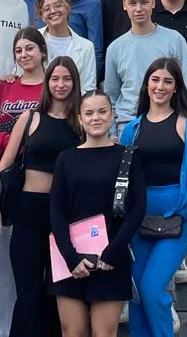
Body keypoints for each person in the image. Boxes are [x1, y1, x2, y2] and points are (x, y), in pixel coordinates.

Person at [0, 57, 84, 337]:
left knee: (58, 293)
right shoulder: (30, 117)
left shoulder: (81, 121)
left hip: (65, 215)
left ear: (75, 82)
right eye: (55, 78)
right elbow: (5, 165)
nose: (60, 84)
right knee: (28, 293)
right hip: (29, 211)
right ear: (47, 82)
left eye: (67, 78)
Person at [118, 59, 187, 337]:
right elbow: (122, 176)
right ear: (146, 84)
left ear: (176, 88)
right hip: (139, 218)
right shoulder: (131, 129)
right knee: (137, 292)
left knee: (152, 288)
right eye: (155, 80)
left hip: (177, 218)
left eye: (167, 81)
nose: (160, 86)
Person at [48, 91, 148, 337]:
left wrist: (115, 250)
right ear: (80, 119)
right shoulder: (66, 158)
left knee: (104, 333)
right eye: (89, 113)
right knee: (73, 331)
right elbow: (56, 209)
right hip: (69, 256)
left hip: (110, 257)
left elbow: (138, 208)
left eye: (102, 111)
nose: (96, 118)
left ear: (112, 115)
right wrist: (70, 256)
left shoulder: (128, 156)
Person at [0, 30, 48, 337]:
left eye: (29, 48)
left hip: (37, 185)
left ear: (42, 51)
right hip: (1, 179)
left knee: (31, 262)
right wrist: (16, 139)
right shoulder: (5, 88)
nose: (24, 55)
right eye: (18, 50)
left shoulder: (53, 87)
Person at [103, 0, 187, 128]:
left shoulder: (175, 40)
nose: (139, 9)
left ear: (153, 2)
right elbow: (111, 95)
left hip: (167, 120)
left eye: (144, 2)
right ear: (124, 5)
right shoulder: (115, 48)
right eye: (132, 3)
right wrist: (112, 131)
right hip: (128, 122)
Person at [37, 0, 98, 93]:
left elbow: (88, 88)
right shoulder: (33, 40)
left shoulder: (86, 47)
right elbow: (21, 76)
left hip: (75, 102)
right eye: (47, 9)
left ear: (68, 8)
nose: (53, 11)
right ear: (42, 16)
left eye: (58, 6)